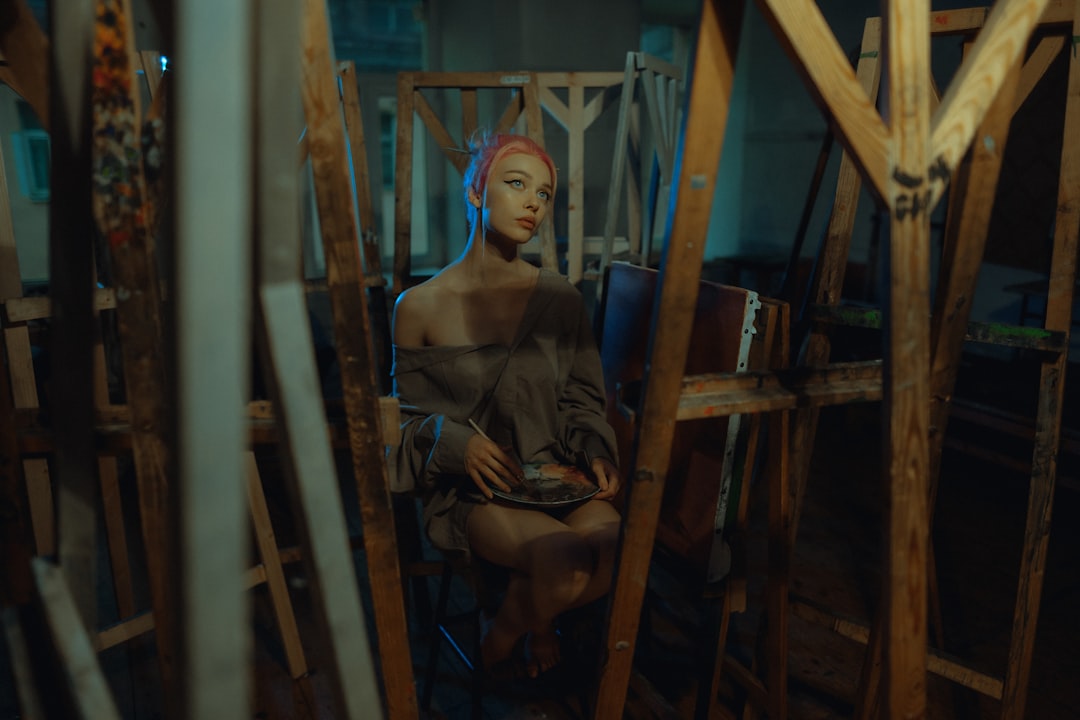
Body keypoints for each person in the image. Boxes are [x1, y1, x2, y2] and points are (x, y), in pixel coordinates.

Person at [391, 131, 622, 680]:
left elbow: (584, 399)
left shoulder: (559, 297)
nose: (532, 203)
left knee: (619, 549)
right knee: (564, 565)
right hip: (478, 491)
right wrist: (455, 442)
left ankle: (516, 621)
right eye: (516, 184)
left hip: (554, 475)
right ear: (476, 193)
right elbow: (401, 425)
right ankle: (509, 640)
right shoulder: (419, 306)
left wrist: (594, 449)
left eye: (543, 194)